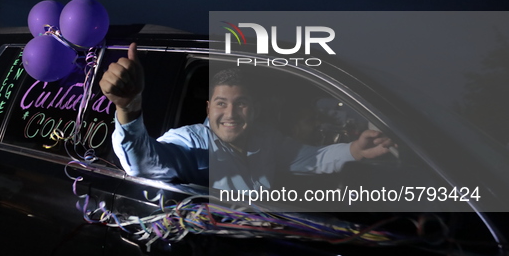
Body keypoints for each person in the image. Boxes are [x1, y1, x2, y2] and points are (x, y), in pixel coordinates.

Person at [99, 43, 394, 190]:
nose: (230, 113)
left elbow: (311, 158)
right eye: (221, 103)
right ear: (208, 108)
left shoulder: (266, 139)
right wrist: (129, 107)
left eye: (241, 104)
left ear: (255, 109)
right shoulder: (191, 141)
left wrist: (354, 150)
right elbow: (144, 163)